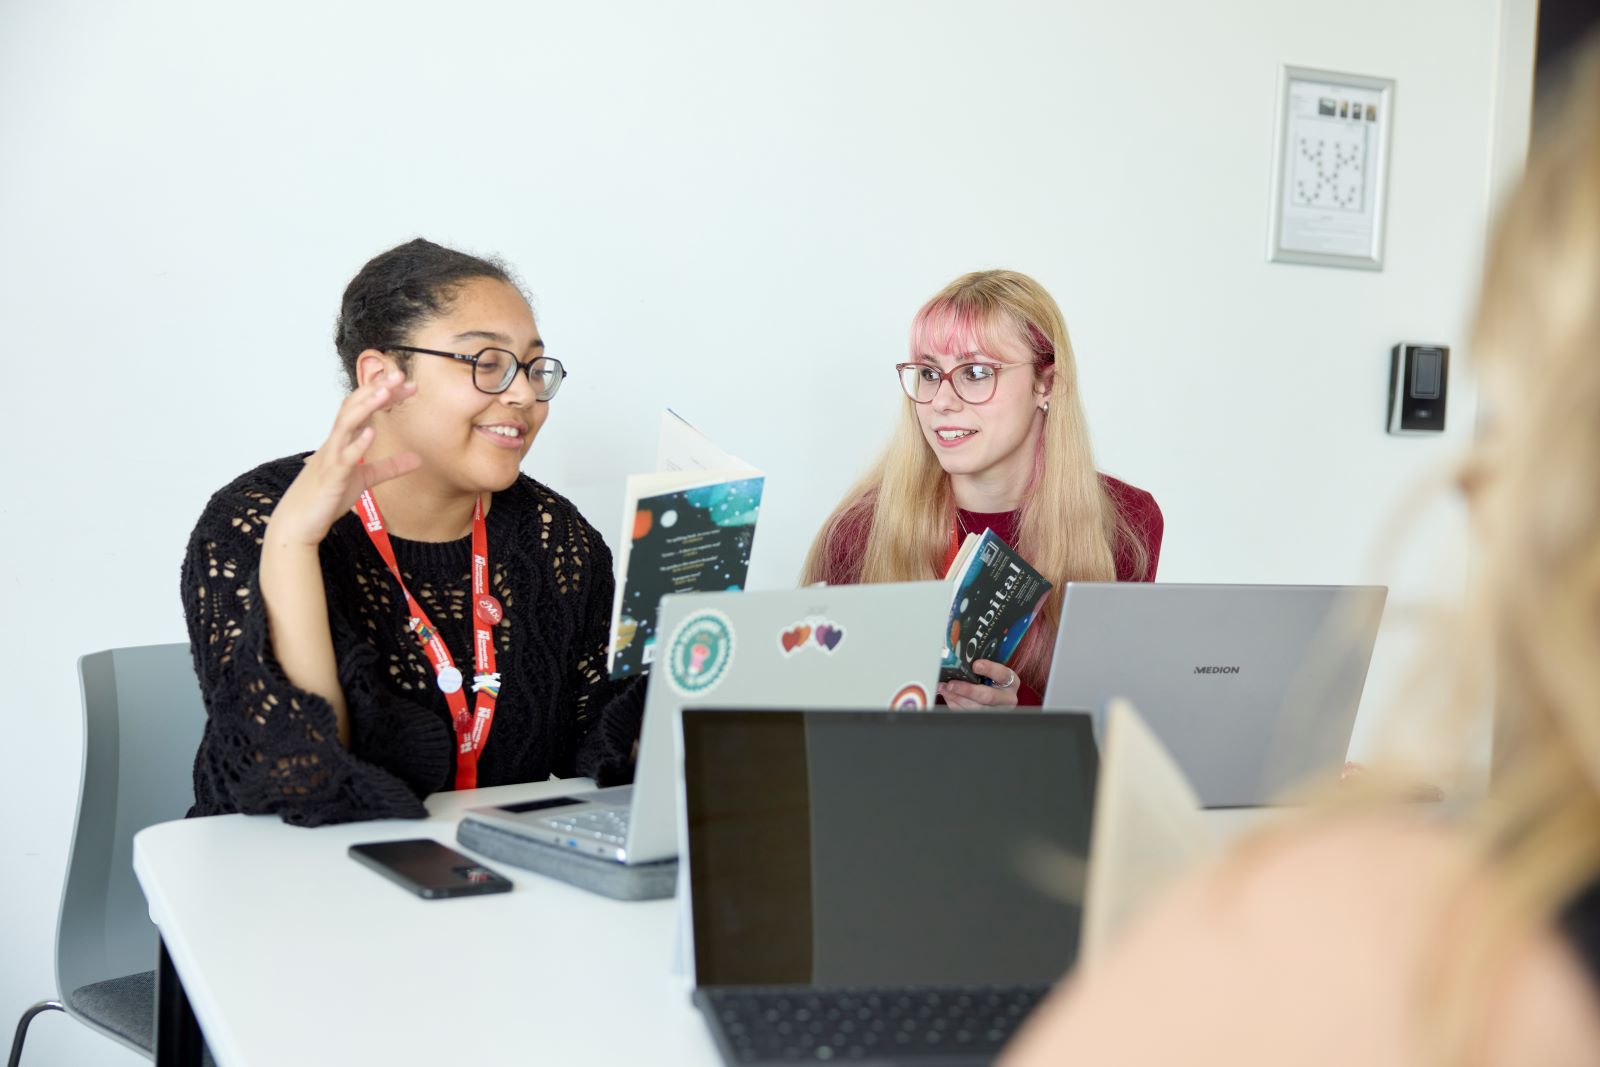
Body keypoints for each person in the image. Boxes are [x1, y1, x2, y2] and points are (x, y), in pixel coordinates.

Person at [1002, 39, 1600, 1066]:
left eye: (1508, 414)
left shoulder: (1389, 929)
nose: (1470, 479)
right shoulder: (868, 519)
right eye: (927, 373)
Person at [181, 239, 643, 826]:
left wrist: (684, 661)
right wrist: (293, 544)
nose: (525, 394)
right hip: (287, 890)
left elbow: (603, 753)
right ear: (383, 377)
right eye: (487, 362)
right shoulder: (257, 516)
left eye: (531, 367)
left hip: (490, 887)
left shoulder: (553, 536)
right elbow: (297, 782)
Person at [801, 270, 1162, 708]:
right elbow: (815, 727)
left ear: (1046, 384)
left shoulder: (1126, 521)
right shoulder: (859, 530)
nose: (942, 400)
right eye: (930, 373)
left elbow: (1113, 731)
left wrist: (1021, 714)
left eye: (975, 372)